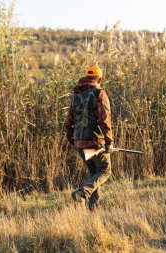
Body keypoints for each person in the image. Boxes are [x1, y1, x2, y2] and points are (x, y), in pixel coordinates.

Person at [65, 65, 113, 210]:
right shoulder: (100, 93)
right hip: (94, 142)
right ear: (99, 79)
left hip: (80, 142)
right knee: (105, 170)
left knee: (94, 173)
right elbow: (105, 120)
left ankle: (94, 209)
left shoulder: (75, 95)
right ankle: (82, 193)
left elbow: (68, 121)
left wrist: (72, 140)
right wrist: (109, 142)